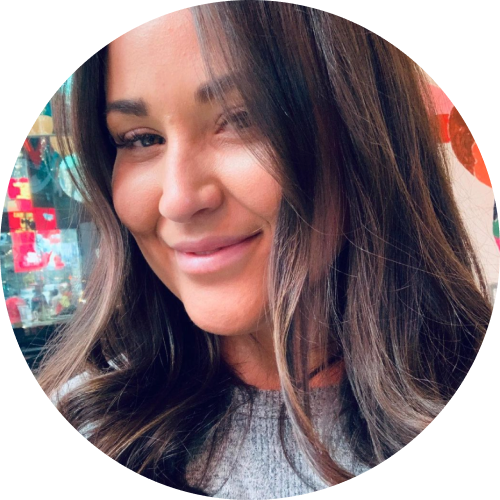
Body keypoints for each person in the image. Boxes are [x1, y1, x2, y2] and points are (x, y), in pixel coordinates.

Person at [36, 4, 493, 497]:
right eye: (141, 138)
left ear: (363, 130)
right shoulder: (87, 420)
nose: (178, 199)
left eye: (243, 118)